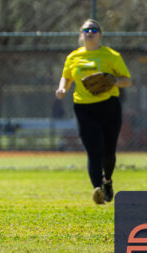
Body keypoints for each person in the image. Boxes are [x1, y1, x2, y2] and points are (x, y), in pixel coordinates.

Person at [55, 19, 132, 205]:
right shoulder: (73, 57)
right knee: (93, 149)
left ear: (100, 34)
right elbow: (66, 76)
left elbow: (127, 81)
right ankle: (97, 188)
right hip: (84, 107)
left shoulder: (111, 55)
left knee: (108, 151)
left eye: (94, 29)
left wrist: (113, 81)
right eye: (86, 29)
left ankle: (107, 181)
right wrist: (62, 89)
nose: (90, 32)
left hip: (109, 106)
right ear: (81, 35)